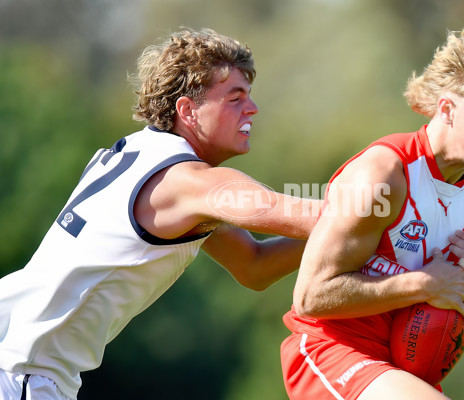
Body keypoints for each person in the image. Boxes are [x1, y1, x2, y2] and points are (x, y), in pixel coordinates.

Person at [0, 28, 320, 400]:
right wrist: (379, 202)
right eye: (235, 98)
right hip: (21, 370)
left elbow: (254, 265)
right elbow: (290, 211)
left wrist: (352, 227)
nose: (252, 108)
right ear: (187, 110)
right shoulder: (186, 182)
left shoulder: (143, 156)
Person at [280, 19, 464, 400]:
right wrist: (422, 283)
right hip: (332, 353)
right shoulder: (384, 175)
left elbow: (441, 328)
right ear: (447, 109)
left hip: (399, 373)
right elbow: (311, 296)